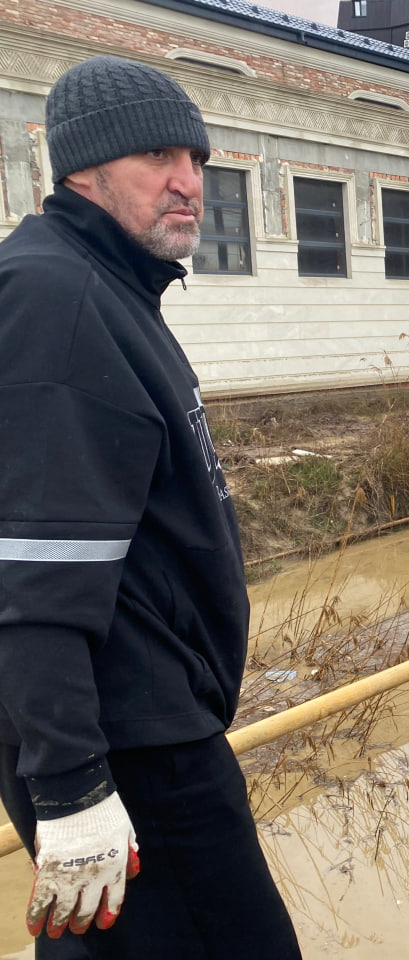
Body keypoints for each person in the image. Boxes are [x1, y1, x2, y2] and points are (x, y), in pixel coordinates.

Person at [0, 56, 301, 957]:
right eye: (158, 156)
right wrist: (71, 787)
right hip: (134, 749)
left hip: (143, 728)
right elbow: (33, 571)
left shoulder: (110, 287)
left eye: (197, 159)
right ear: (84, 170)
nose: (189, 182)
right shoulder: (57, 298)